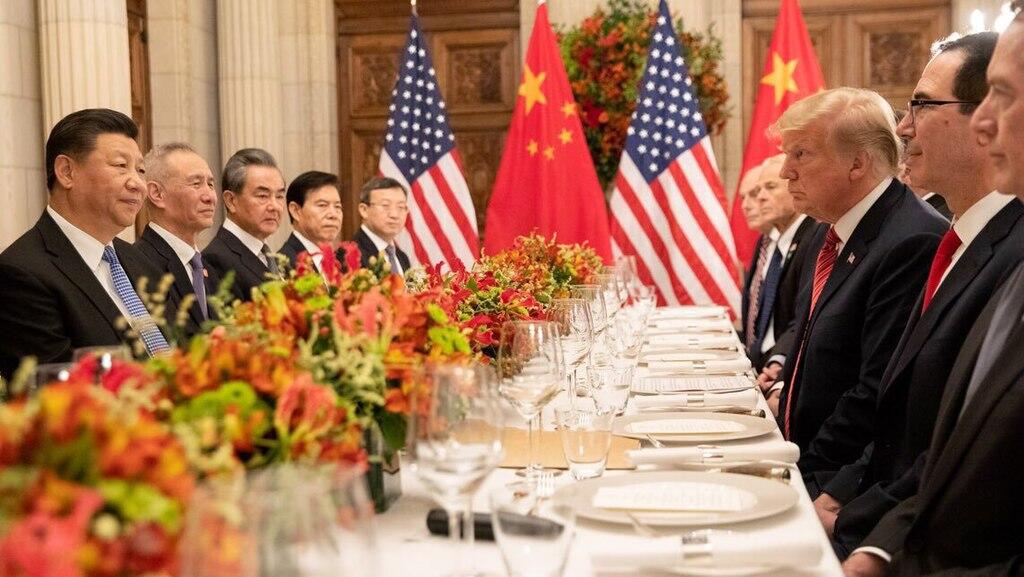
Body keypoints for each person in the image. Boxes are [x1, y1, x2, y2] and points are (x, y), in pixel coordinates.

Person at [798, 33, 1024, 558]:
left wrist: (876, 545)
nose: (902, 128)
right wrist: (846, 495)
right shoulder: (960, 240)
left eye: (920, 106)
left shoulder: (999, 249)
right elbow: (908, 416)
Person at [767, 87, 947, 449]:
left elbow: (875, 391)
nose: (786, 172)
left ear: (857, 164)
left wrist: (806, 472)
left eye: (800, 154)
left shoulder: (912, 240)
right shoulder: (827, 231)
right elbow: (813, 351)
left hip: (837, 476)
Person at [0, 108, 169, 380]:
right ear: (67, 172)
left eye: (140, 169)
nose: (138, 183)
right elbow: (58, 396)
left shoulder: (138, 261)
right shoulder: (21, 273)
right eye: (120, 166)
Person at [135, 142, 221, 339]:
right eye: (196, 184)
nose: (210, 197)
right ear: (157, 194)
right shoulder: (139, 265)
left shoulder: (206, 267)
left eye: (210, 184)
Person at [748, 154, 821, 372]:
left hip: (788, 366)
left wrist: (778, 360)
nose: (760, 197)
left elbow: (806, 314)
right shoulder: (775, 240)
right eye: (757, 190)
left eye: (770, 187)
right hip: (768, 361)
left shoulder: (815, 237)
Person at [203, 148, 285, 302]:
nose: (274, 206)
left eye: (280, 196)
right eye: (262, 196)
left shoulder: (275, 258)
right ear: (231, 201)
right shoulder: (215, 260)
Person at [280, 170, 345, 274]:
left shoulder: (341, 262)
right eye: (322, 205)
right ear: (295, 211)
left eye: (337, 206)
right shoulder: (284, 265)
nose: (333, 214)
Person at [739, 164, 771, 349]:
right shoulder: (764, 242)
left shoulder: (809, 240)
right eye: (744, 198)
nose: (745, 206)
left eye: (754, 193)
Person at [353, 176, 411, 274]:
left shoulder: (402, 257)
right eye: (385, 205)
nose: (394, 215)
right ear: (364, 210)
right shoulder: (352, 254)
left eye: (401, 207)